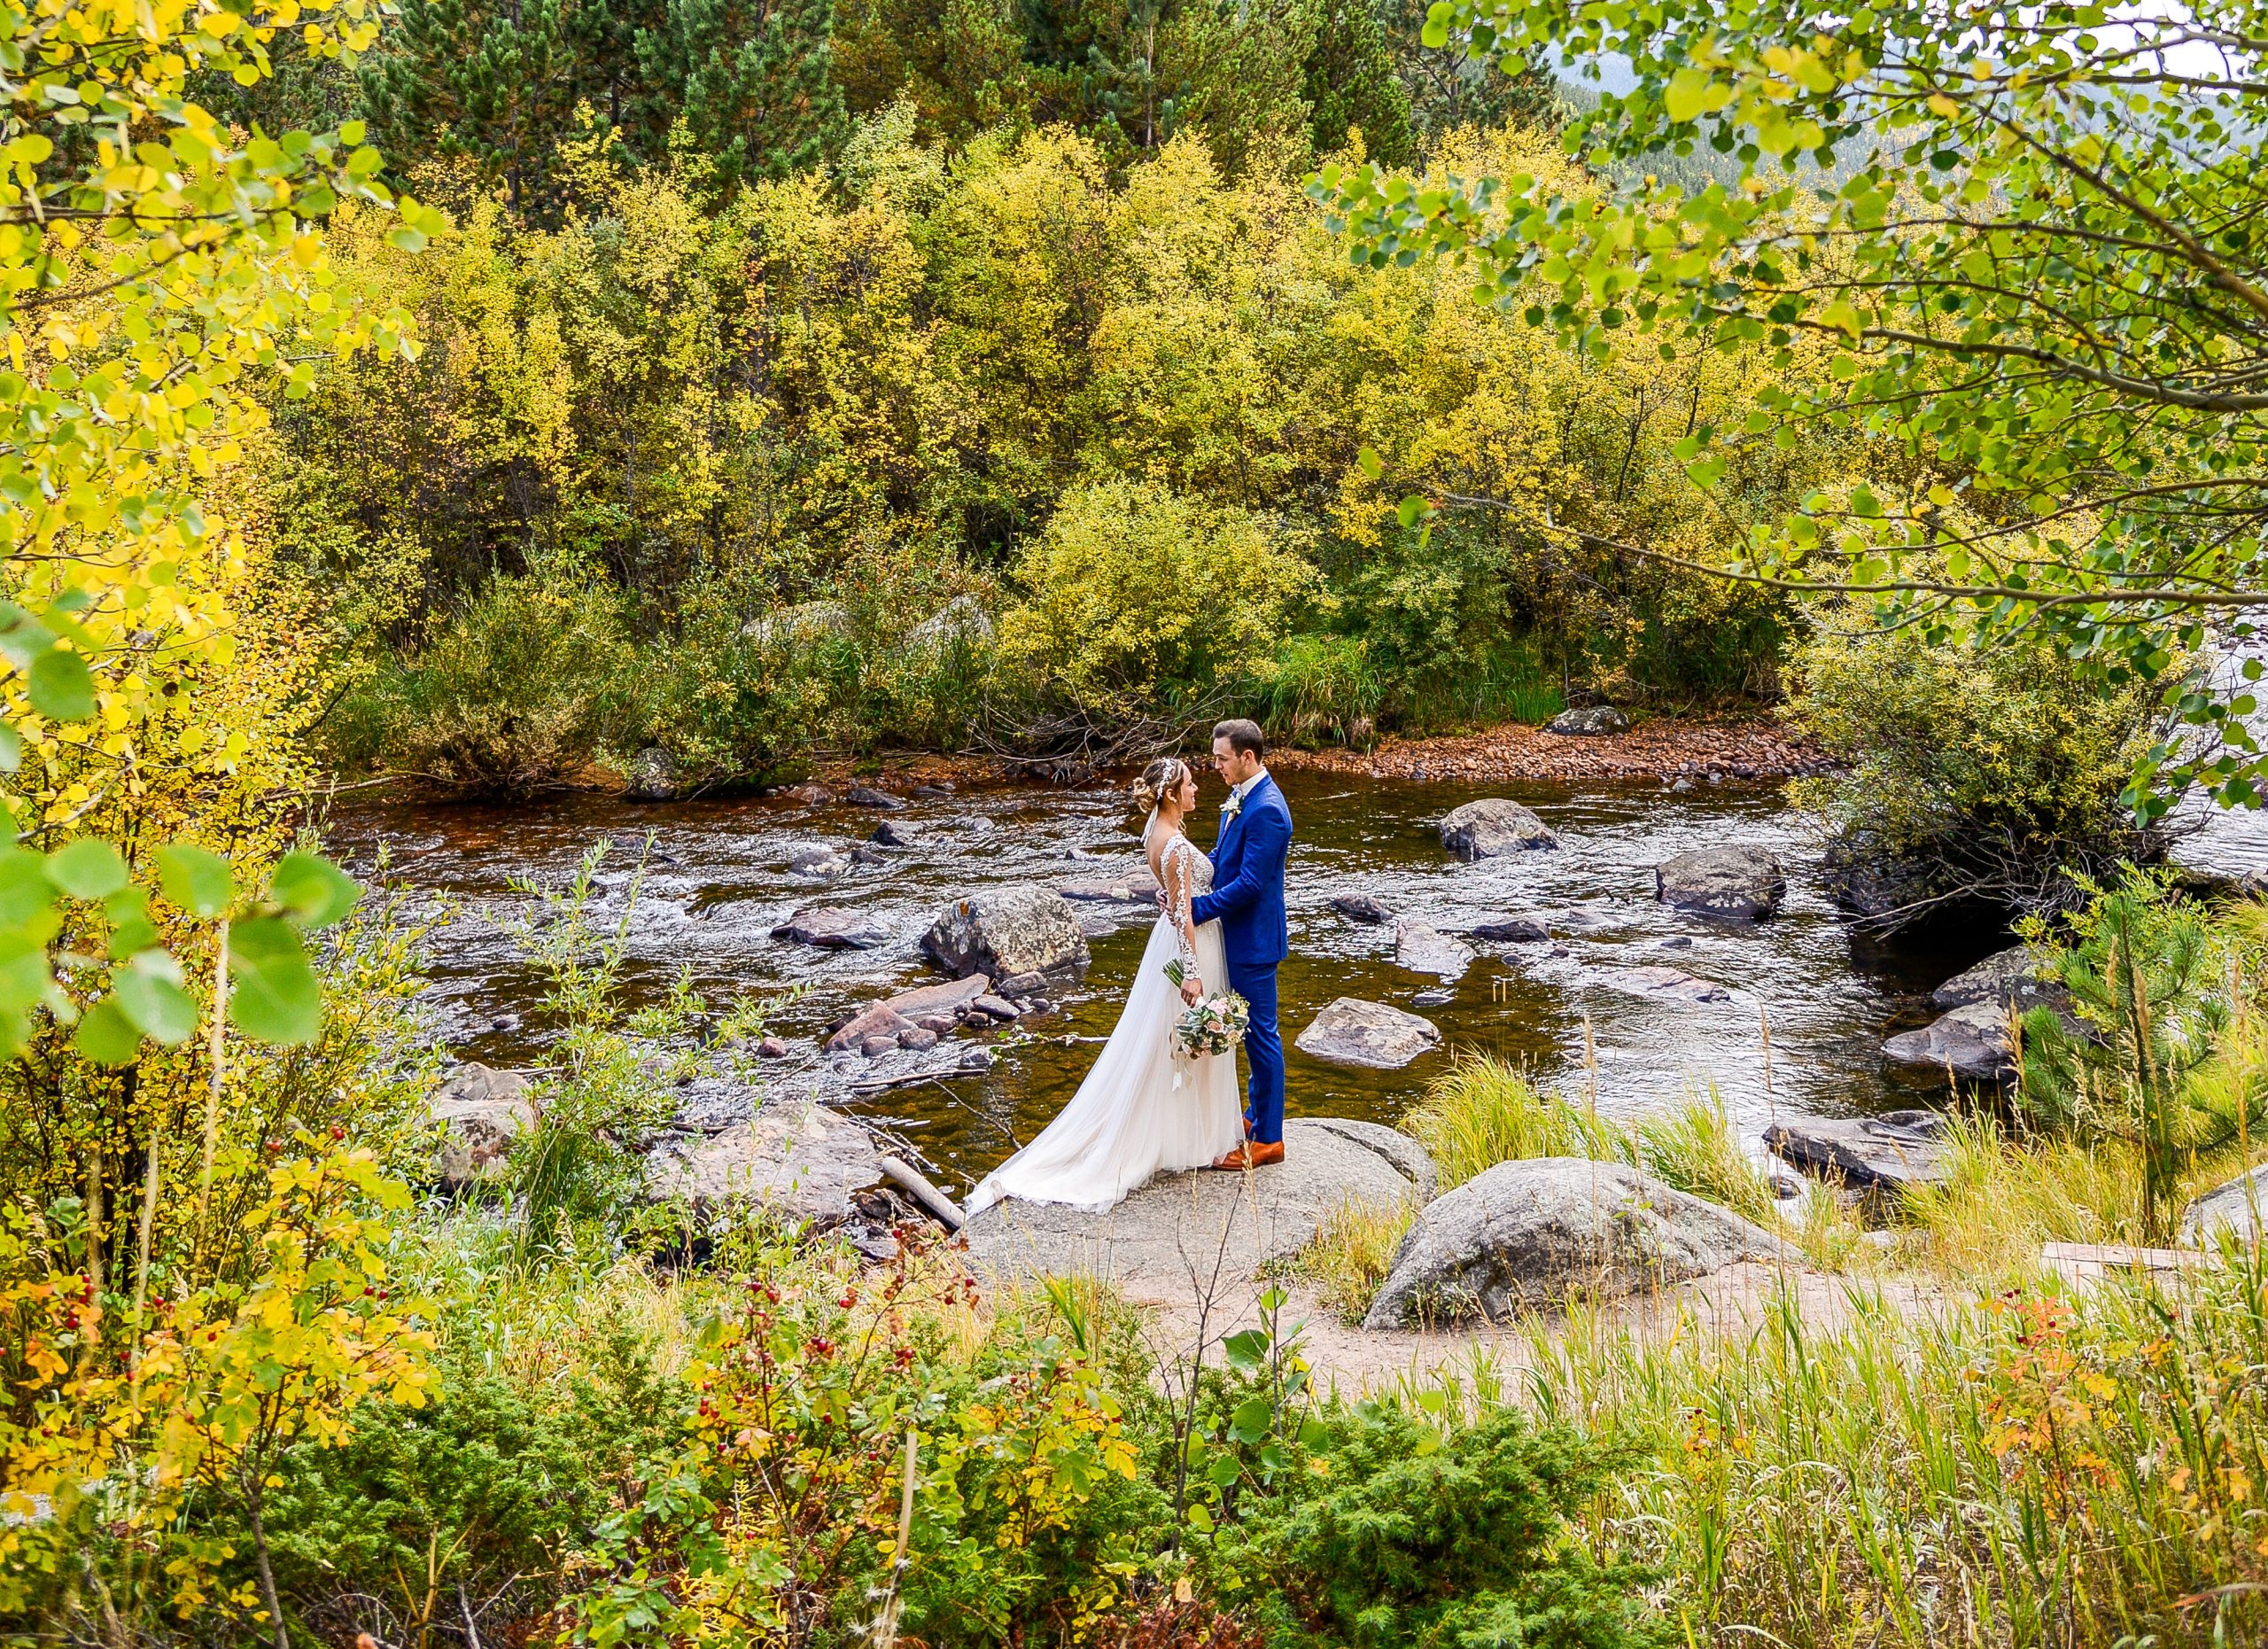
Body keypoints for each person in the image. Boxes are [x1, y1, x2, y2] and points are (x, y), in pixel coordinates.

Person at [960, 755, 1245, 1215]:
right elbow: (1187, 915)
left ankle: (1184, 1136)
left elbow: (1174, 896)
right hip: (1189, 946)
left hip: (1171, 938)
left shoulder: (1157, 832)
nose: (1197, 790)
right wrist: (1192, 971)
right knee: (1181, 1042)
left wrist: (1171, 900)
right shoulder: (1171, 844)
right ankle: (1185, 1141)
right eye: (1190, 785)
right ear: (1171, 794)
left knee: (1167, 1044)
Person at [1189, 718, 1293, 1170]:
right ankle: (1254, 1115)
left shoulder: (1268, 808)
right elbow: (1222, 858)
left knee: (1261, 1037)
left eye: (1222, 758)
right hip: (1235, 935)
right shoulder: (1240, 799)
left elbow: (1251, 884)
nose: (1216, 766)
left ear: (1247, 757)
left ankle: (1270, 1139)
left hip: (1253, 939)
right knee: (1249, 1033)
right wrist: (1188, 881)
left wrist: (1197, 909)